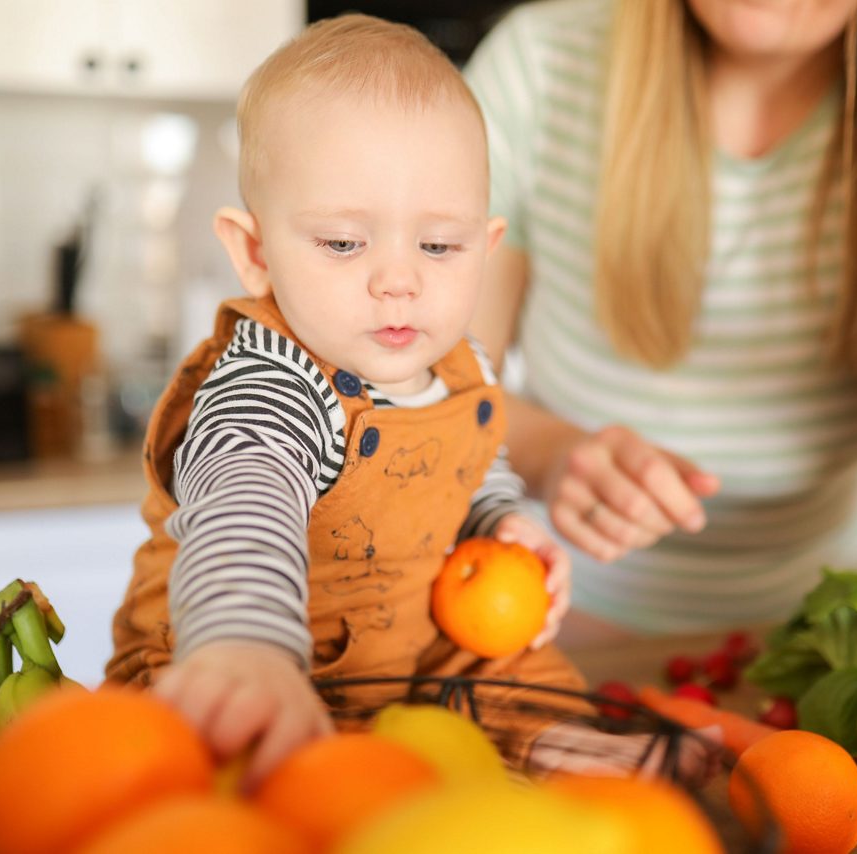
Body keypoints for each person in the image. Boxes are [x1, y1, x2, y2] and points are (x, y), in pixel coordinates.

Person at [104, 14, 703, 790]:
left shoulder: (460, 365)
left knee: (504, 658)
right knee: (223, 778)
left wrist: (499, 522)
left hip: (408, 655)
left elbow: (464, 470)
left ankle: (551, 737)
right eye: (345, 243)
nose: (400, 280)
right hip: (255, 661)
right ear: (255, 253)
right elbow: (242, 505)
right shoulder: (273, 381)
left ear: (484, 250)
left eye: (438, 246)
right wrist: (242, 648)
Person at [464, 0, 857, 640]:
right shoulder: (538, 66)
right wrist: (553, 455)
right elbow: (438, 392)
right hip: (562, 625)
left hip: (832, 645)